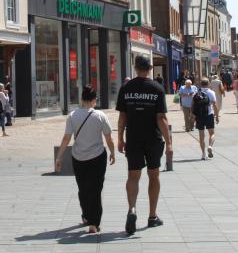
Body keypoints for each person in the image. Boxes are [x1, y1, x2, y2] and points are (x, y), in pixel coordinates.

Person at [116, 55, 172, 235]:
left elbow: (122, 117)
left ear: (135, 67)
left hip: (133, 138)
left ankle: (132, 209)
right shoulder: (157, 88)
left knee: (133, 176)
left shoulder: (126, 88)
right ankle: (152, 216)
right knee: (154, 176)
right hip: (153, 139)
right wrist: (169, 143)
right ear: (149, 68)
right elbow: (161, 118)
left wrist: (120, 138)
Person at [55, 86, 115, 234]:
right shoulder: (100, 115)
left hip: (78, 157)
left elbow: (66, 138)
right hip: (97, 157)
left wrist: (59, 157)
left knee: (83, 189)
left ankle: (87, 216)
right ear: (95, 100)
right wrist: (113, 152)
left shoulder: (72, 115)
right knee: (96, 190)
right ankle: (94, 223)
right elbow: (108, 137)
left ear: (81, 100)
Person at [193, 78, 219, 160]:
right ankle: (210, 146)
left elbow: (193, 105)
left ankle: (203, 154)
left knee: (201, 135)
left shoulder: (196, 93)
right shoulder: (211, 93)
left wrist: (193, 117)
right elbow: (215, 105)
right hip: (209, 115)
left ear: (201, 84)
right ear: (208, 84)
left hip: (199, 116)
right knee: (212, 133)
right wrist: (217, 116)